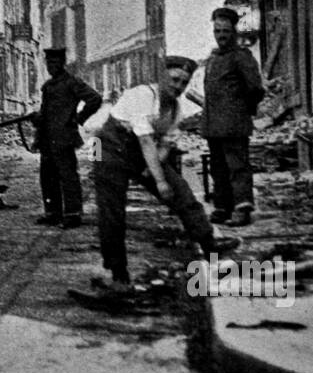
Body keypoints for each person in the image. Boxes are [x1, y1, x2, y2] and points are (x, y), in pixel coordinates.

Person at [89, 56, 239, 294]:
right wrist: (159, 182)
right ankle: (117, 276)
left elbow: (163, 147)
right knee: (112, 212)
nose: (178, 86)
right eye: (174, 79)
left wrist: (155, 173)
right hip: (106, 147)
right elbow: (146, 139)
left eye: (183, 82)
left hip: (138, 150)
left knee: (180, 190)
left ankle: (210, 243)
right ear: (162, 77)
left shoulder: (175, 110)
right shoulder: (143, 95)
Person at [201, 7, 265, 228]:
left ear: (234, 31)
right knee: (218, 167)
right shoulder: (213, 58)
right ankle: (223, 206)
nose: (221, 35)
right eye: (217, 31)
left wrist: (240, 110)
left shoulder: (241, 57)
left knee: (237, 166)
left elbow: (256, 89)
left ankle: (242, 208)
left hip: (234, 123)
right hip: (213, 125)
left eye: (226, 31)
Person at [33, 48, 102, 229]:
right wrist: (38, 121)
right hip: (47, 137)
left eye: (55, 63)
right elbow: (46, 111)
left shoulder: (72, 83)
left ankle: (73, 214)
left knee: (67, 176)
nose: (51, 67)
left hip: (64, 137)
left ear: (62, 64)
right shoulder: (48, 86)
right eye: (48, 63)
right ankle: (52, 213)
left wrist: (78, 118)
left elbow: (95, 99)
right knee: (47, 176)